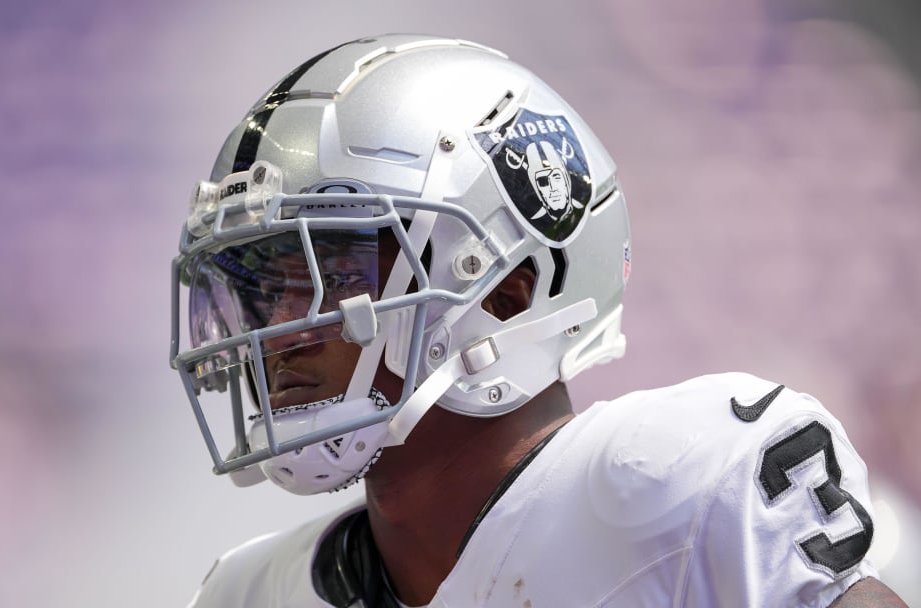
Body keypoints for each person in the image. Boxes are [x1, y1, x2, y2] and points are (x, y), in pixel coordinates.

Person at [169, 34, 906, 607]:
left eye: (330, 272)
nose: (283, 328)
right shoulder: (249, 592)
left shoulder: (677, 488)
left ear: (505, 294)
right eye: (264, 285)